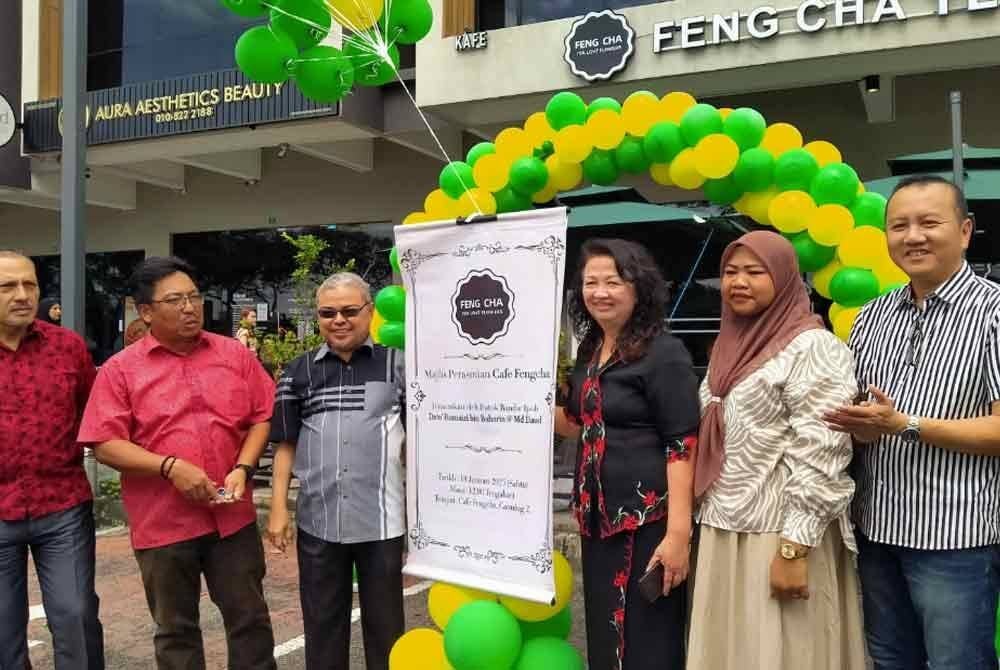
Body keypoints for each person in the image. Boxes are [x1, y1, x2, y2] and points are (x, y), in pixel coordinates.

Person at [824, 175, 1000, 670]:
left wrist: (905, 423)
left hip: (956, 540)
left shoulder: (994, 313)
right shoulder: (874, 315)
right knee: (889, 660)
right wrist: (859, 425)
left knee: (956, 663)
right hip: (876, 532)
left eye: (929, 222)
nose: (913, 236)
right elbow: (869, 420)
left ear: (964, 231)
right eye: (899, 225)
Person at [77, 256, 277, 670]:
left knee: (250, 621)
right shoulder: (120, 371)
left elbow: (262, 415)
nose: (189, 307)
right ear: (146, 312)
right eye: (175, 300)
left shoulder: (233, 355)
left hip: (231, 519)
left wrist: (243, 468)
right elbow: (104, 443)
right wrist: (169, 466)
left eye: (194, 297)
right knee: (175, 633)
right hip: (164, 525)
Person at [685, 231, 866, 670]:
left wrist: (793, 549)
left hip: (778, 532)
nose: (738, 282)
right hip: (723, 526)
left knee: (782, 652)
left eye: (754, 271)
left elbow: (823, 451)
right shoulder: (729, 348)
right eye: (730, 272)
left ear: (786, 280)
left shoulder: (813, 347)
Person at [554, 239, 700, 670]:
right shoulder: (590, 350)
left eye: (612, 282)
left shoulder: (664, 353)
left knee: (646, 640)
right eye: (590, 282)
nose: (599, 292)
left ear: (638, 289)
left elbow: (682, 445)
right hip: (598, 520)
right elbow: (581, 425)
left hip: (648, 522)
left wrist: (678, 537)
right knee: (604, 633)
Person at [267, 272, 406, 670]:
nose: (339, 320)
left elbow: (421, 441)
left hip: (381, 523)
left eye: (349, 311)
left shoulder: (398, 366)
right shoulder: (298, 372)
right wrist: (279, 508)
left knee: (386, 630)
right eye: (328, 313)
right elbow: (285, 444)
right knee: (323, 627)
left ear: (369, 311)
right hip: (318, 521)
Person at [0, 251, 104, 670]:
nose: (23, 295)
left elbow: (94, 416)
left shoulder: (68, 347)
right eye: (8, 286)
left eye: (31, 285)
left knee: (75, 615)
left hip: (62, 505)